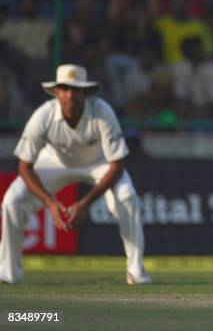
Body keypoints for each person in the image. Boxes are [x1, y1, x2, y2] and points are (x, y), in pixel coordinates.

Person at [0, 64, 151, 285]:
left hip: (100, 164)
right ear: (56, 92)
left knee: (127, 195)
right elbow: (24, 167)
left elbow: (117, 165)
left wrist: (84, 204)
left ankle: (136, 271)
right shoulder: (43, 115)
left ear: (85, 92)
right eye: (64, 89)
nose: (70, 95)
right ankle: (9, 272)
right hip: (53, 163)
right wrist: (49, 203)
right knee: (12, 200)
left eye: (76, 90)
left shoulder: (102, 112)